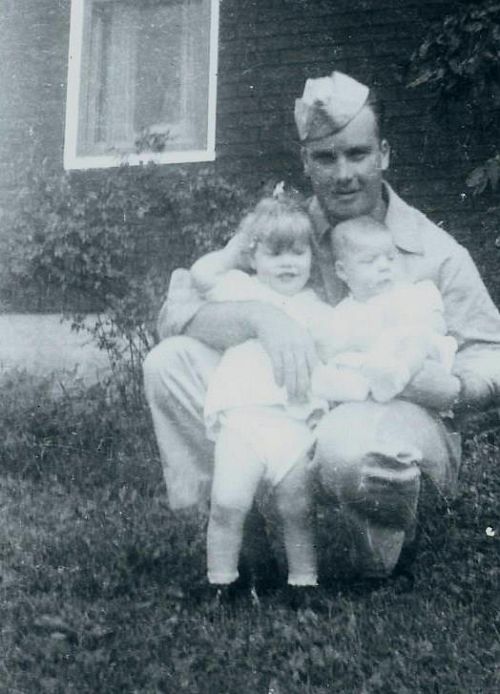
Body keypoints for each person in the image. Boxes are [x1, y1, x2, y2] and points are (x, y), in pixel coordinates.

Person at [143, 70, 500, 581]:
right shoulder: (285, 231)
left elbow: (491, 351)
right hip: (301, 399)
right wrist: (259, 317)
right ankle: (242, 537)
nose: (343, 174)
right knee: (170, 363)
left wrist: (455, 386)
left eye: (357, 154)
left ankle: (385, 546)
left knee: (348, 446)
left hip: (391, 416)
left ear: (384, 155)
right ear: (306, 162)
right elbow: (175, 314)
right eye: (326, 158)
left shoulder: (434, 251)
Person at [192, 194, 323, 600]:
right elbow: (202, 274)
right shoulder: (240, 289)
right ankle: (222, 582)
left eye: (298, 252)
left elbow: (346, 344)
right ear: (253, 258)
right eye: (275, 253)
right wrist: (237, 245)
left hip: (293, 424)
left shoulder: (316, 307)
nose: (287, 263)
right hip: (242, 422)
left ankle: (303, 584)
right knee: (228, 502)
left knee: (297, 509)